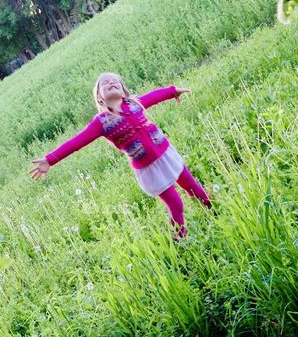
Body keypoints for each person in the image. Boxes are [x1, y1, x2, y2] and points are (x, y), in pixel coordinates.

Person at [29, 72, 212, 239]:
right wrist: (50, 159)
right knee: (176, 204)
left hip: (165, 155)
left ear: (123, 90)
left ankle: (213, 211)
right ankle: (179, 239)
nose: (112, 83)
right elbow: (77, 142)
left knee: (192, 185)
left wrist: (173, 91)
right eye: (106, 83)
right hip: (148, 168)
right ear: (100, 97)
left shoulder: (134, 104)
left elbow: (154, 96)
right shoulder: (102, 122)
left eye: (115, 81)